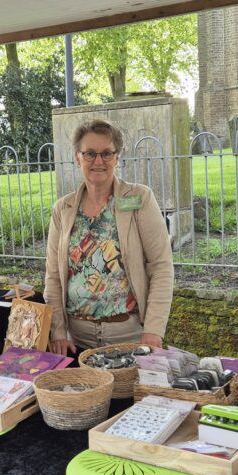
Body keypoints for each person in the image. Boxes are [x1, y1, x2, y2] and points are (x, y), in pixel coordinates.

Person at [44, 119, 173, 356]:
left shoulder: (139, 199)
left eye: (106, 153)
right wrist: (58, 331)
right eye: (90, 153)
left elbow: (161, 266)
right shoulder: (63, 209)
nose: (98, 161)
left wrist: (154, 330)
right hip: (76, 342)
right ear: (77, 158)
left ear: (117, 157)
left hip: (130, 337)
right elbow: (53, 276)